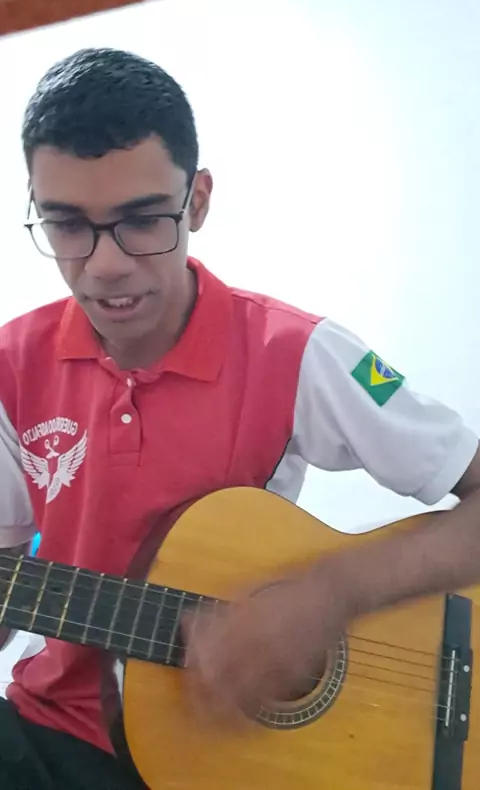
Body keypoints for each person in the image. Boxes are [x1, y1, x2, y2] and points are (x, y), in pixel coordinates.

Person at [0, 47, 478, 789]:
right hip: (51, 741)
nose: (105, 264)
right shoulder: (10, 368)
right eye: (66, 225)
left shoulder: (304, 352)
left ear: (197, 201)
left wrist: (326, 596)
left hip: (234, 759)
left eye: (142, 220)